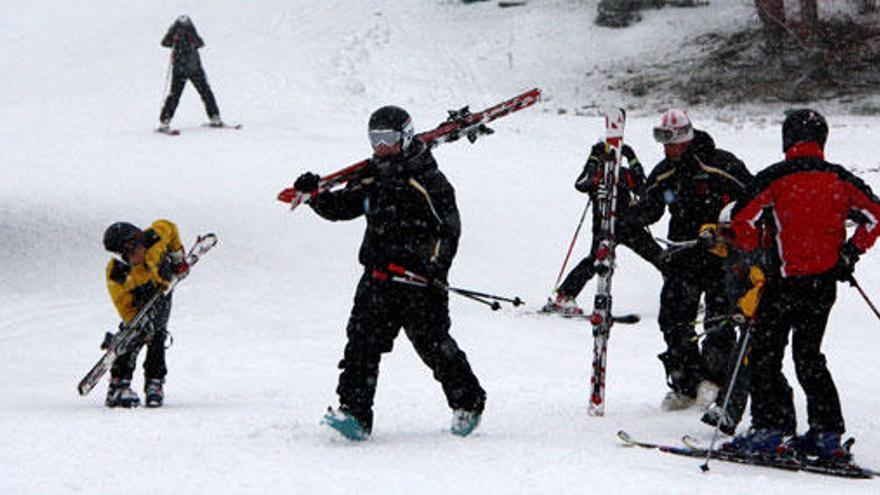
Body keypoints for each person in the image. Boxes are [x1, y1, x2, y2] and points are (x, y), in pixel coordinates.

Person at [294, 105, 487, 440]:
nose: (381, 145)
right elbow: (344, 207)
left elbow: (449, 230)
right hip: (378, 277)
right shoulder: (373, 175)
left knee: (433, 345)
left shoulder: (426, 179)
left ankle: (468, 402)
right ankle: (354, 414)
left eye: (388, 138)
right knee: (361, 346)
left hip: (418, 284)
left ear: (406, 137)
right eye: (375, 138)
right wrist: (316, 197)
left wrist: (433, 267)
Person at [723, 109, 880, 460]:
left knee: (766, 355)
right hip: (823, 284)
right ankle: (826, 434)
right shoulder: (839, 178)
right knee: (809, 356)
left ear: (787, 139)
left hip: (783, 282)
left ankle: (771, 429)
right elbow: (876, 215)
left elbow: (741, 219)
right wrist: (850, 253)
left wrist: (756, 254)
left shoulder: (775, 177)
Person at [625, 108, 753, 411]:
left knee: (719, 320)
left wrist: (728, 229)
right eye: (662, 141)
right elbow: (650, 209)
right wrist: (625, 214)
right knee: (673, 318)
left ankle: (714, 380)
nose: (667, 148)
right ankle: (685, 382)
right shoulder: (664, 172)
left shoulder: (722, 164)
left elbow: (752, 200)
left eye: (671, 141)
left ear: (686, 137)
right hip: (683, 255)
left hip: (722, 256)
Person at [543, 141, 663, 315]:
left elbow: (641, 187)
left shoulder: (622, 174)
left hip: (628, 225)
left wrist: (632, 158)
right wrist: (592, 159)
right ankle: (564, 297)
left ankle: (680, 295)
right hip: (604, 225)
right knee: (594, 261)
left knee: (658, 256)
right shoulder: (596, 175)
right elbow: (581, 184)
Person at [102, 220, 189, 408]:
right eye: (131, 252)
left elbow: (170, 227)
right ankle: (118, 384)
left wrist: (177, 257)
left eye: (140, 245)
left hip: (163, 292)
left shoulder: (155, 237)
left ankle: (154, 382)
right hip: (139, 306)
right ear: (122, 255)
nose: (139, 252)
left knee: (158, 336)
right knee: (133, 338)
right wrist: (136, 320)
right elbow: (123, 304)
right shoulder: (119, 273)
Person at [158, 15, 223, 131]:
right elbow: (200, 43)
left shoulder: (174, 31)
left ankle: (165, 121)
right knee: (205, 92)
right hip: (194, 68)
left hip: (179, 69)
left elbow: (164, 43)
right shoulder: (191, 30)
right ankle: (215, 117)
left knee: (174, 95)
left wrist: (174, 38)